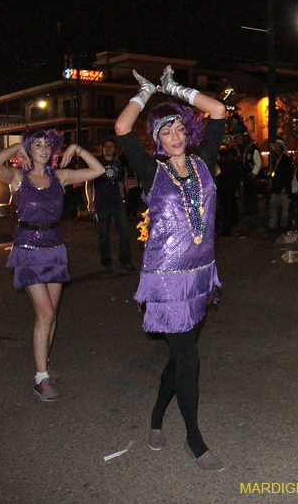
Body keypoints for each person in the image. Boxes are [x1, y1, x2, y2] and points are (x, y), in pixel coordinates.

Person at [115, 65, 227, 471]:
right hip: (166, 282)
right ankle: (194, 440)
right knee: (189, 359)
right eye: (166, 131)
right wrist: (147, 92)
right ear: (157, 140)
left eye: (179, 128)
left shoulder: (204, 160)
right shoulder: (152, 171)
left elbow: (218, 110)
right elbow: (122, 127)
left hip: (200, 276)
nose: (175, 136)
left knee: (180, 358)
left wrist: (176, 89)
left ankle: (156, 416)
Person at [0, 130, 105, 401]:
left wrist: (76, 148)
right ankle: (41, 379)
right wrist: (16, 147)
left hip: (55, 249)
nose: (43, 149)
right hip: (28, 250)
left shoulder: (59, 177)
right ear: (29, 150)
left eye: (47, 145)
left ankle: (45, 363)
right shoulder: (18, 177)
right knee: (45, 314)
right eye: (37, 145)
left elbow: (98, 170)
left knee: (51, 315)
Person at [86, 139, 134, 272]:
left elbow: (119, 181)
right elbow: (89, 183)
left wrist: (122, 195)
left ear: (115, 149)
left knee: (124, 229)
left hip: (116, 201)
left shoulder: (117, 163)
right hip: (102, 202)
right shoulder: (97, 163)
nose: (108, 148)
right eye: (106, 146)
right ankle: (106, 263)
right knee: (103, 233)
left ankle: (125, 260)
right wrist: (90, 201)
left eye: (111, 146)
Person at [268, 139, 293, 231]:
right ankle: (273, 226)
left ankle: (284, 227)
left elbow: (288, 174)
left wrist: (285, 187)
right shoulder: (274, 159)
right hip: (276, 188)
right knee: (274, 209)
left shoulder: (285, 159)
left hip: (283, 189)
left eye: (278, 146)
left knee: (284, 211)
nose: (276, 148)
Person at [241, 133, 261, 214]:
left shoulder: (254, 149)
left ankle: (253, 209)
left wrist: (254, 173)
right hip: (246, 175)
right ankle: (248, 209)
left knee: (252, 193)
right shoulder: (245, 149)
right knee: (247, 193)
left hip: (251, 175)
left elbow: (258, 163)